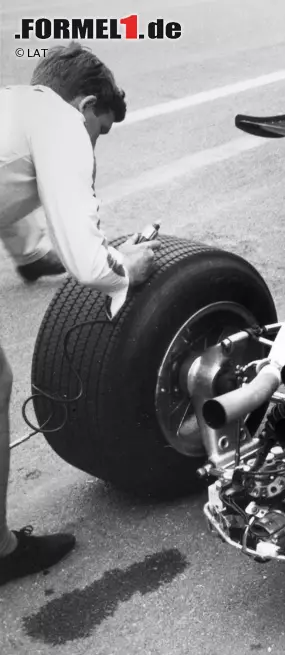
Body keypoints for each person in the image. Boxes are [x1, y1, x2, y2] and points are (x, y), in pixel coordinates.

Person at [0, 42, 159, 586]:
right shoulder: (64, 125)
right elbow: (89, 264)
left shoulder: (14, 106)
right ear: (86, 105)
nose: (94, 142)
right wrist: (128, 267)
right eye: (101, 128)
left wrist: (27, 254)